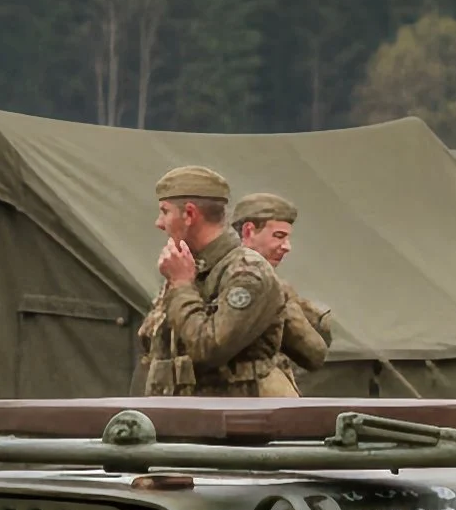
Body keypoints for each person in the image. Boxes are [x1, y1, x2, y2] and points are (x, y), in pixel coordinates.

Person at [135, 166, 291, 397]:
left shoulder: (247, 273)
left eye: (165, 211)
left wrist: (181, 286)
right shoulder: (192, 267)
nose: (159, 222)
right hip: (186, 419)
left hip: (237, 423)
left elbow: (209, 348)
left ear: (189, 214)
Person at [234, 191, 334, 392]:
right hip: (258, 398)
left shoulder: (200, 271)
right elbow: (313, 353)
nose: (286, 246)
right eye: (278, 236)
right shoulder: (268, 285)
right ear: (248, 232)